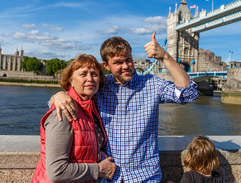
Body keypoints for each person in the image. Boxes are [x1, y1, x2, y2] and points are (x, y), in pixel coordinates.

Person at [49, 33, 198, 182]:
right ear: (106, 66)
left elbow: (188, 94)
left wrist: (165, 56)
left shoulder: (152, 84)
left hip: (144, 177)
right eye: (118, 63)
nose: (126, 66)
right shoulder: (100, 86)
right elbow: (76, 98)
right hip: (109, 176)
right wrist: (59, 96)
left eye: (128, 60)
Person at [32, 54, 117, 183]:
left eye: (94, 74)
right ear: (71, 79)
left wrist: (97, 151)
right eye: (83, 74)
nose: (90, 79)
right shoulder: (63, 112)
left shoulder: (91, 108)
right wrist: (99, 169)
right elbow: (57, 171)